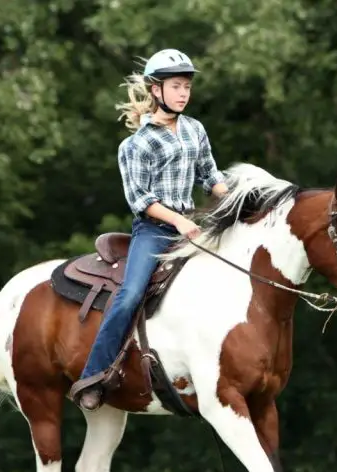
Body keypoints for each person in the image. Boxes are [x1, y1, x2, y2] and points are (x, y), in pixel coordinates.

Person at [70, 48, 229, 411]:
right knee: (129, 296)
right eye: (176, 86)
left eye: (187, 86)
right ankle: (95, 375)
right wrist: (179, 221)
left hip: (193, 226)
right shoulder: (135, 145)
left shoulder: (195, 129)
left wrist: (238, 199)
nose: (184, 93)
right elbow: (140, 200)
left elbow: (211, 176)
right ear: (156, 90)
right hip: (156, 231)